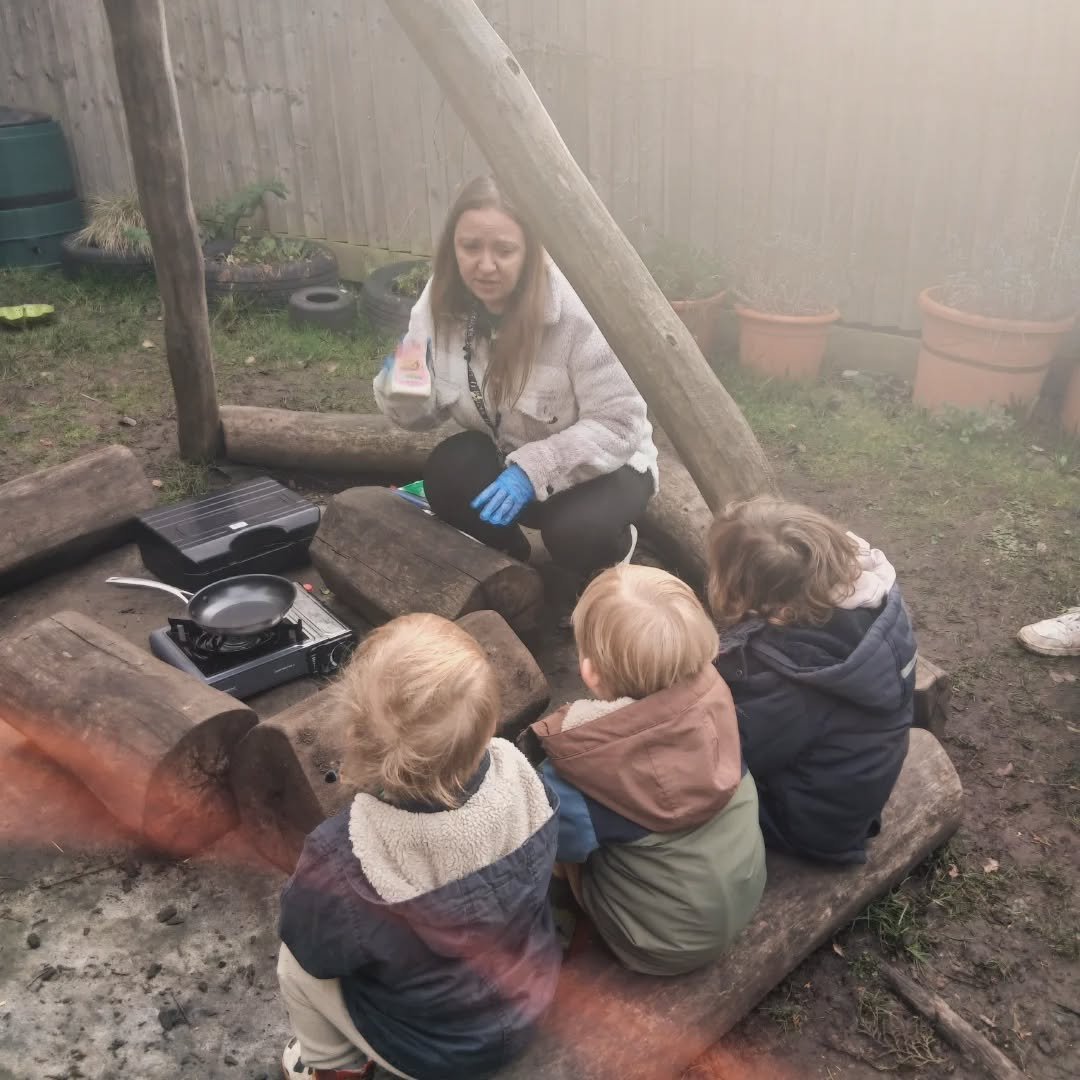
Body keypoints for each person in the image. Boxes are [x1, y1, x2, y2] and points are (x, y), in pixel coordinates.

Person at [276, 613, 561, 1080]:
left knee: (295, 967)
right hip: (531, 998)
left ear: (351, 737)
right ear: (489, 727)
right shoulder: (523, 777)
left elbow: (310, 946)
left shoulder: (345, 858)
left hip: (433, 1050)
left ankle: (332, 1067)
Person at [374, 175, 658, 574]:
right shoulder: (439, 302)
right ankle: (511, 560)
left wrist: (534, 471)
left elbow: (620, 423)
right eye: (470, 247)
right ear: (452, 246)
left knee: (576, 532)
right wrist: (403, 390)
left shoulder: (578, 314)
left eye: (504, 250)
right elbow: (423, 416)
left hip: (608, 465)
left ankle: (612, 549)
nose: (484, 265)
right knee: (448, 473)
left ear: (531, 252)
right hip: (510, 456)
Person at [523, 565, 766, 976]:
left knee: (548, 842)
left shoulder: (576, 771)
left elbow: (553, 847)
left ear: (589, 671)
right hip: (743, 894)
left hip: (657, 943)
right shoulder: (721, 706)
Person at [707, 497, 917, 865]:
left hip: (811, 825)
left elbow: (731, 756)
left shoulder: (788, 680)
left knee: (683, 807)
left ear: (777, 609)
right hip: (853, 780)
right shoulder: (873, 605)